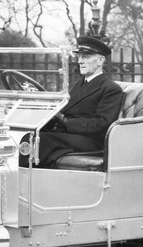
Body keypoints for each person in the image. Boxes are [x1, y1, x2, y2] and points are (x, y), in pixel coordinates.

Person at [20, 35, 123, 168]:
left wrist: (66, 122)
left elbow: (102, 124)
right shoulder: (78, 85)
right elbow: (65, 111)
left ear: (100, 60)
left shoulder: (110, 88)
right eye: (79, 57)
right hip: (71, 135)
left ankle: (31, 181)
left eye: (85, 57)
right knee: (30, 137)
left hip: (90, 141)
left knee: (42, 142)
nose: (80, 61)